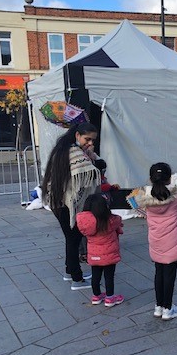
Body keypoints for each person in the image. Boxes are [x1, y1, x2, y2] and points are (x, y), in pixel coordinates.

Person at [42, 122, 101, 290]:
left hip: (57, 201)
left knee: (71, 238)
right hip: (66, 204)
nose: (90, 143)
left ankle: (70, 271)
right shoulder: (75, 152)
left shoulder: (63, 148)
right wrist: (95, 162)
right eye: (87, 139)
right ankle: (77, 279)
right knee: (73, 239)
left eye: (92, 140)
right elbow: (90, 171)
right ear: (77, 135)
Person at [128, 163, 177, 320]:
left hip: (156, 242)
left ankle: (158, 306)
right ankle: (168, 309)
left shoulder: (146, 200)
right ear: (170, 179)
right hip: (173, 241)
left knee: (159, 273)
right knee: (170, 274)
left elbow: (136, 202)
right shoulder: (176, 198)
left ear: (150, 179)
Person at [76, 194, 124, 307]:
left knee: (95, 276)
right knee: (109, 276)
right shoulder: (110, 220)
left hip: (93, 255)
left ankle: (96, 296)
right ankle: (110, 298)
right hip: (109, 255)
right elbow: (119, 219)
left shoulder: (86, 223)